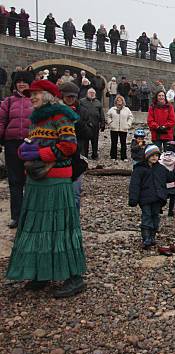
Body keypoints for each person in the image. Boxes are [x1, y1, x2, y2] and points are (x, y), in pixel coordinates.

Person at [6, 79, 86, 298]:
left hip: (56, 180)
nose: (32, 97)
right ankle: (41, 272)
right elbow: (33, 142)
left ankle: (74, 276)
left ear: (49, 95)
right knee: (38, 225)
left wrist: (40, 155)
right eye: (31, 94)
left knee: (61, 226)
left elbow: (69, 146)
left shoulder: (62, 116)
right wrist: (25, 150)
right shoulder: (37, 120)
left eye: (37, 93)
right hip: (36, 179)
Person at [129, 145, 175, 247]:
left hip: (158, 198)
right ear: (146, 156)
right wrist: (133, 198)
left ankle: (152, 236)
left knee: (155, 216)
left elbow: (170, 177)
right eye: (152, 155)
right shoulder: (139, 169)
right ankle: (146, 237)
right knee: (146, 216)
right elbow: (134, 185)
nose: (154, 157)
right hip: (145, 198)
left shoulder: (161, 168)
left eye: (156, 155)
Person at [0, 71, 33, 228]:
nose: (21, 84)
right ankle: (16, 216)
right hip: (12, 143)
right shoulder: (8, 101)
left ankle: (30, 215)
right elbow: (1, 121)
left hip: (30, 144)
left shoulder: (35, 100)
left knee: (30, 180)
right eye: (19, 81)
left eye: (24, 81)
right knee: (14, 181)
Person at [58, 81, 88, 210]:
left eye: (73, 97)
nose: (70, 99)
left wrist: (78, 122)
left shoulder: (81, 110)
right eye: (68, 96)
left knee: (75, 195)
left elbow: (88, 133)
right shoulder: (55, 111)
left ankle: (74, 222)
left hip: (76, 156)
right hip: (59, 156)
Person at [78, 88, 104, 159]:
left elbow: (101, 113)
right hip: (85, 124)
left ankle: (94, 155)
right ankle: (85, 155)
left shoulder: (98, 102)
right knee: (85, 141)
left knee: (95, 141)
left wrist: (102, 123)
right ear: (87, 93)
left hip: (95, 125)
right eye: (90, 93)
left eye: (93, 93)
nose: (92, 94)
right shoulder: (82, 101)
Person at [106, 95, 134, 161]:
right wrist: (110, 123)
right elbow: (108, 116)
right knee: (114, 143)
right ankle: (113, 156)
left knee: (123, 143)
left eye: (120, 100)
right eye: (118, 100)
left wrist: (128, 124)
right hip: (114, 128)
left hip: (123, 128)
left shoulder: (127, 109)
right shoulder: (112, 109)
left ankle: (124, 157)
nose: (119, 101)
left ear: (123, 101)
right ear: (116, 101)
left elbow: (131, 117)